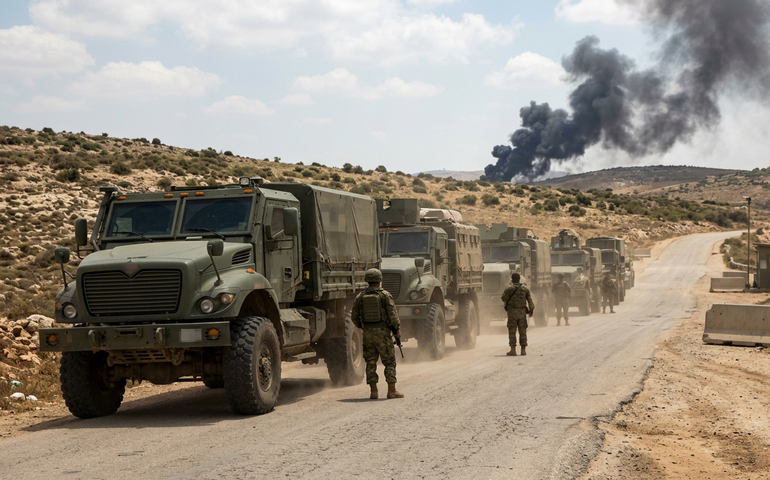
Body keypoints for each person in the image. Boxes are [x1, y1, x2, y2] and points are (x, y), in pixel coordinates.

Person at [351, 268, 404, 399]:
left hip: (367, 334)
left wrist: (363, 327)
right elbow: (393, 315)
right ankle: (392, 391)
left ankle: (373, 391)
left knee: (370, 362)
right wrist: (397, 330)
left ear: (367, 280)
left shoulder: (360, 296)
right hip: (383, 333)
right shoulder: (385, 295)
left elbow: (354, 317)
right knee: (389, 361)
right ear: (380, 280)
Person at [501, 272, 535, 356]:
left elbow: (503, 298)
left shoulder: (509, 288)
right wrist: (531, 310)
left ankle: (513, 350)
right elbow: (530, 301)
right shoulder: (524, 288)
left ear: (512, 279)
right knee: (522, 331)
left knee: (512, 331)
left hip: (512, 313)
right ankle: (523, 350)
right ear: (519, 279)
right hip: (522, 313)